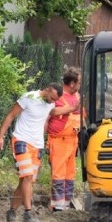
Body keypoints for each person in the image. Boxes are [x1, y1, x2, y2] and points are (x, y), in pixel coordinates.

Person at [0, 83, 74, 222]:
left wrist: (73, 108)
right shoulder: (28, 97)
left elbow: (54, 111)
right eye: (51, 98)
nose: (51, 101)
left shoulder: (49, 104)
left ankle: (12, 211)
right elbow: (10, 116)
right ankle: (28, 213)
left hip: (37, 145)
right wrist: (0, 137)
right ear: (47, 89)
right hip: (21, 141)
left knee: (27, 180)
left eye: (54, 100)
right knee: (28, 176)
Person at [47, 68, 81, 211]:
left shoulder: (78, 96)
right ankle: (57, 206)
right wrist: (72, 109)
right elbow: (52, 111)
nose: (80, 85)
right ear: (72, 83)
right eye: (79, 82)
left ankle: (66, 204)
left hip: (73, 140)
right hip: (59, 141)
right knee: (59, 175)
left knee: (70, 175)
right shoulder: (58, 96)